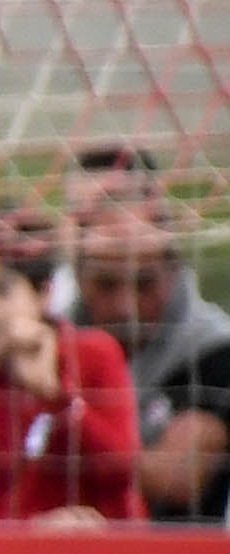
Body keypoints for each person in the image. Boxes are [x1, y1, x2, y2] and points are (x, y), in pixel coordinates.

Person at [66, 183, 228, 518]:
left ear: (174, 270)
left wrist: (66, 409)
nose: (127, 306)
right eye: (107, 284)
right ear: (78, 277)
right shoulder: (53, 343)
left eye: (144, 282)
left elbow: (176, 481)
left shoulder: (216, 351)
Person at [0, 257, 136, 524]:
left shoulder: (93, 354)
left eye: (0, 290)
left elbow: (121, 471)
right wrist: (28, 528)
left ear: (43, 294)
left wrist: (55, 395)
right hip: (7, 553)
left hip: (101, 544)